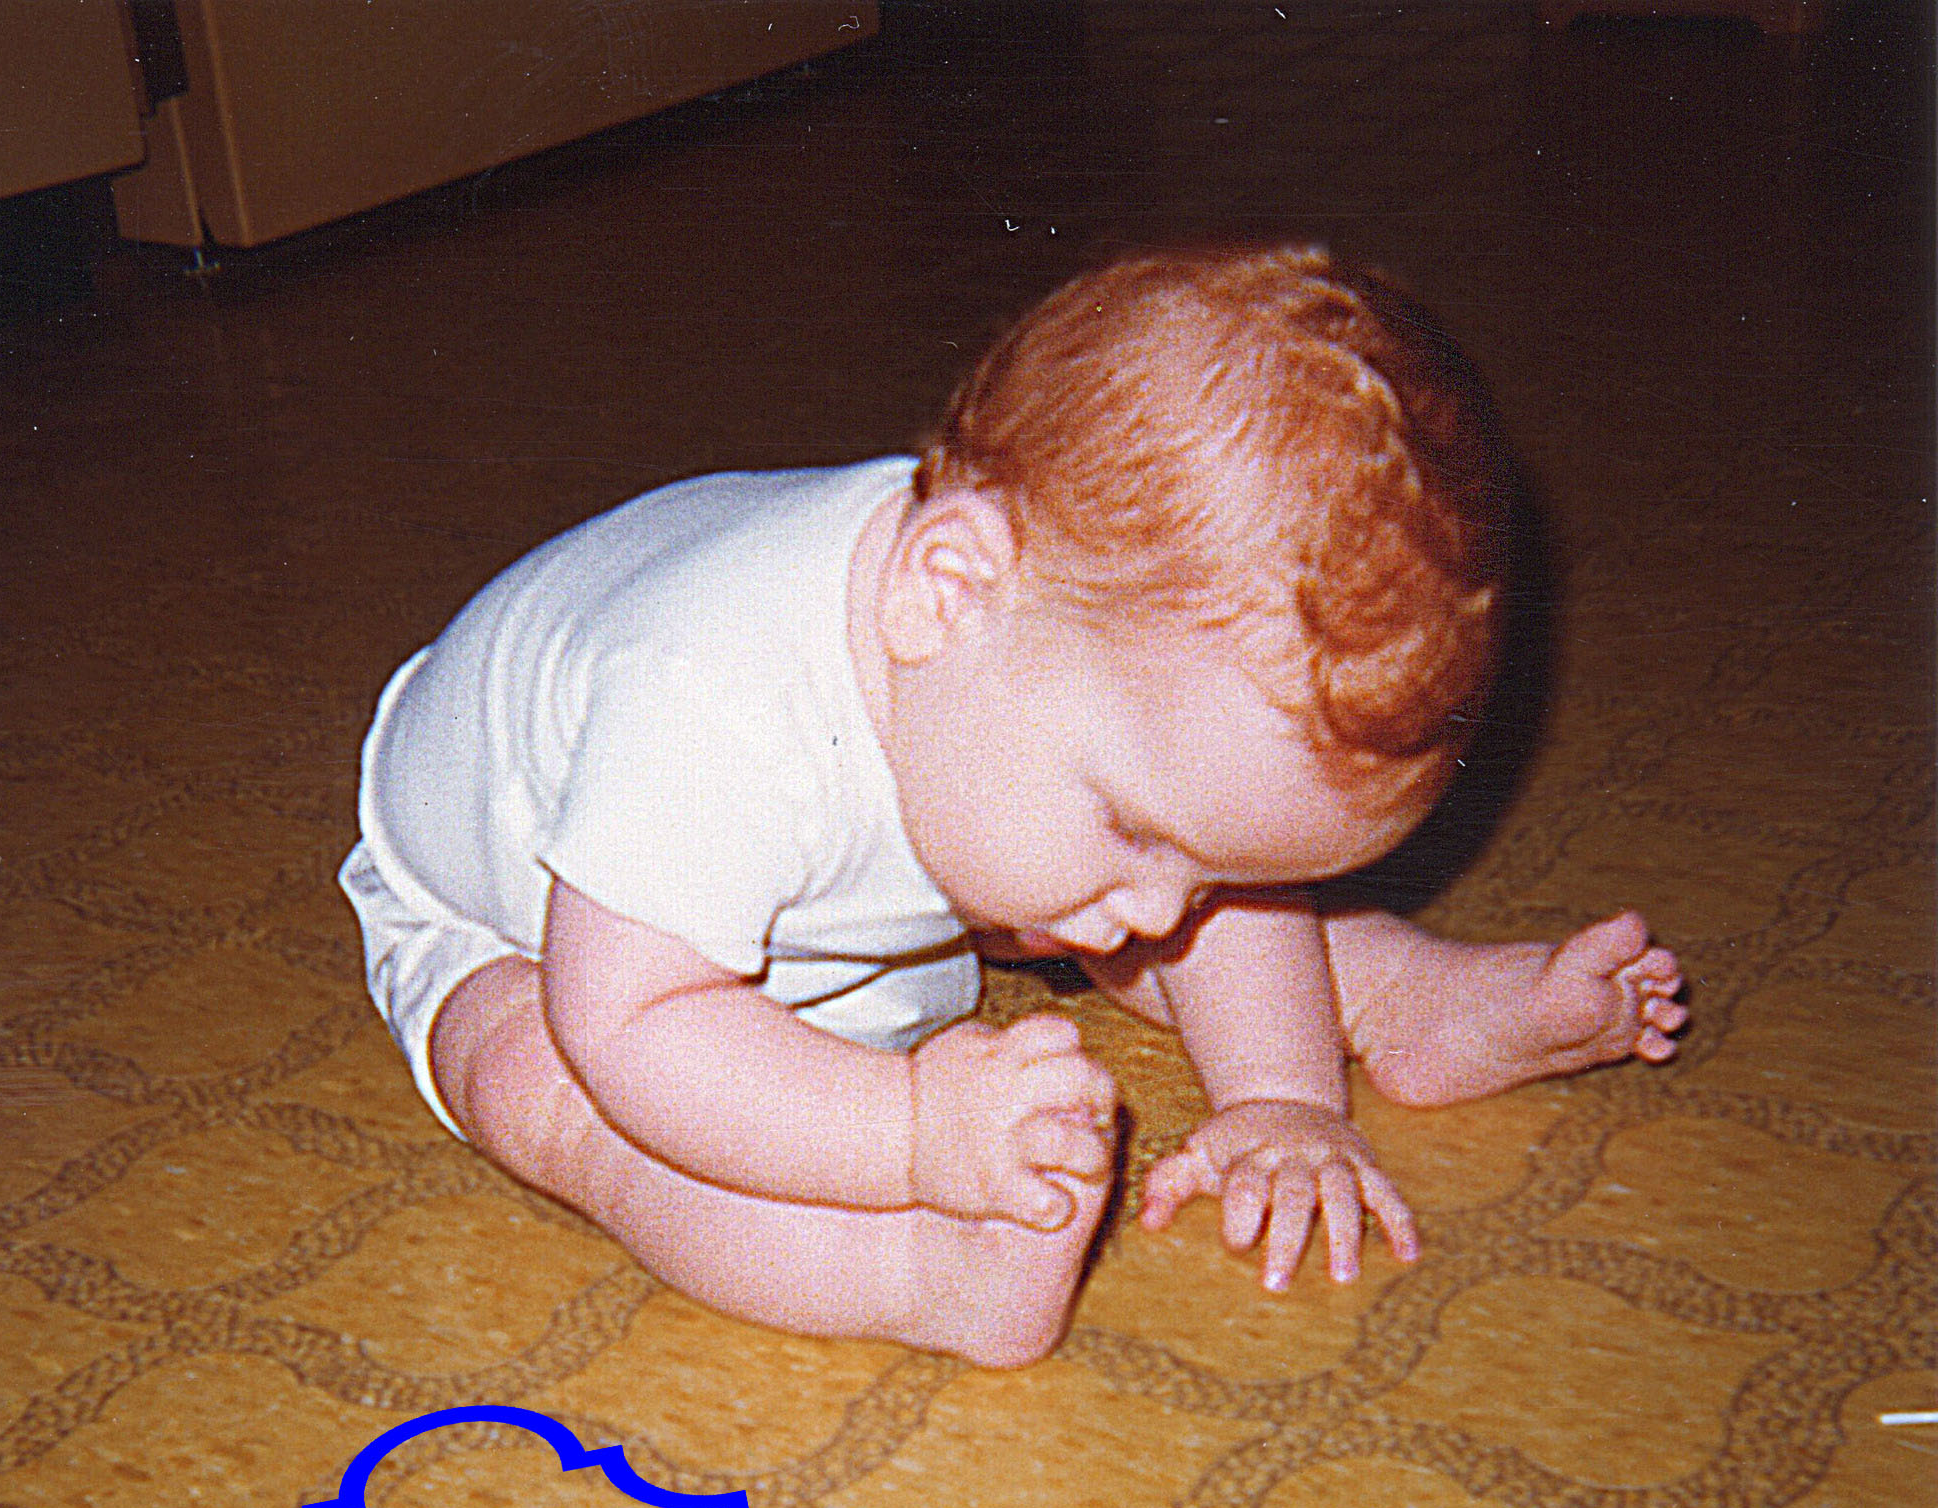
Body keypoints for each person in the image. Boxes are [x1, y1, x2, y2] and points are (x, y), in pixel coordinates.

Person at [340, 244, 1685, 1368]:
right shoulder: (707, 703)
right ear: (945, 586)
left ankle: (1396, 1006)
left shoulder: (1008, 673)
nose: (1168, 905)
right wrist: (913, 1137)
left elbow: (1181, 862)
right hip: (523, 925)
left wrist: (1275, 1105)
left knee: (1139, 887)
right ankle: (916, 1277)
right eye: (1142, 829)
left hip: (866, 877)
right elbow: (630, 1020)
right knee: (546, 1089)